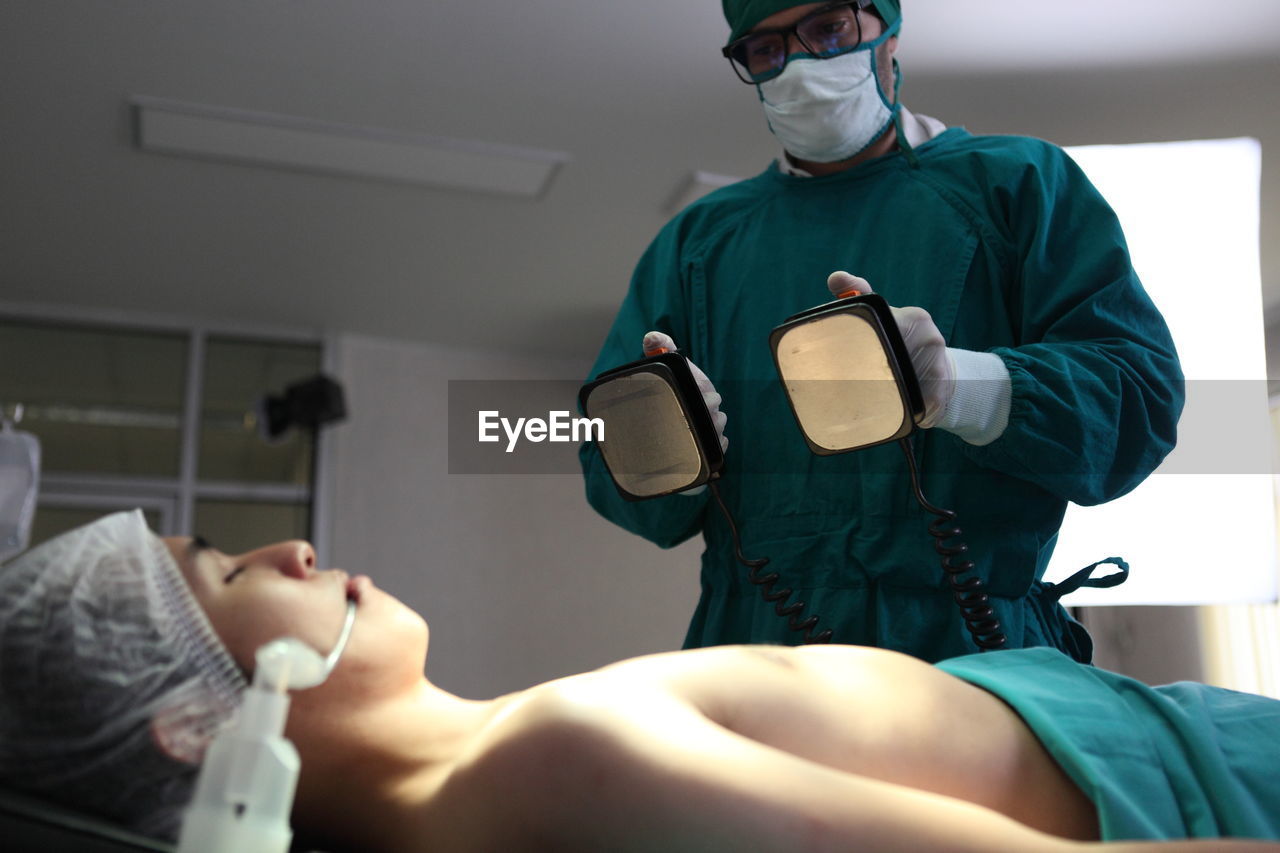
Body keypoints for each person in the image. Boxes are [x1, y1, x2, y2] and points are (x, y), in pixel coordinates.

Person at [1, 513, 1276, 852]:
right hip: (1205, 785)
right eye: (227, 573)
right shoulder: (555, 756)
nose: (289, 549)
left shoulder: (506, 771)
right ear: (187, 723)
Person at [579, 0, 1185, 661]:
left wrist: (960, 387)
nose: (800, 65)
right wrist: (666, 446)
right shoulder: (698, 247)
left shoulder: (1017, 186)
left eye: (828, 28)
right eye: (766, 49)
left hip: (976, 655)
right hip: (757, 656)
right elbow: (607, 463)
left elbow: (1134, 401)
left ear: (889, 33)